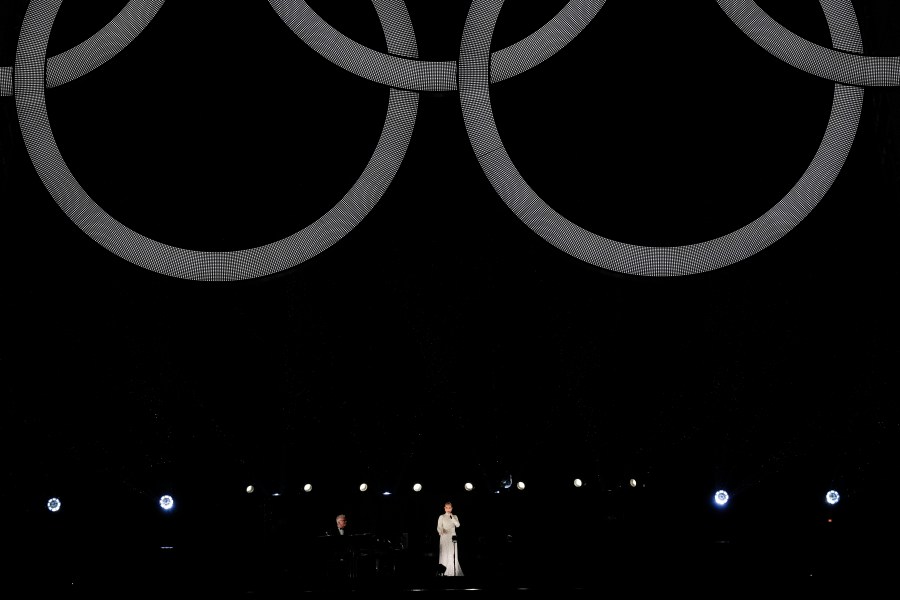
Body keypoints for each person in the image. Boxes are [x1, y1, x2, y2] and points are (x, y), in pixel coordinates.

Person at [436, 501, 463, 576]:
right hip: (444, 536)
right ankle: (442, 572)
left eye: (449, 508)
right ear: (444, 508)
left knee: (452, 553)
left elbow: (458, 525)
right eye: (446, 508)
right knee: (444, 553)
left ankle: (452, 571)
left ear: (452, 508)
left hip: (452, 536)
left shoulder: (455, 516)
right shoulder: (441, 516)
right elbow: (439, 526)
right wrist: (441, 531)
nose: (448, 509)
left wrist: (452, 518)